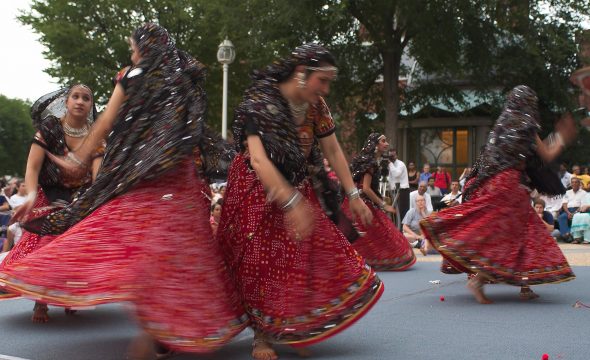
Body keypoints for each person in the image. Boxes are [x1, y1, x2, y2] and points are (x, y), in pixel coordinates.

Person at [0, 24, 247, 359]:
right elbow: (193, 130)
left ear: (144, 47)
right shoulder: (184, 77)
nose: (131, 54)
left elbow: (105, 123)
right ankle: (165, 327)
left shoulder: (132, 75)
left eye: (133, 47)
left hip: (143, 176)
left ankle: (158, 327)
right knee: (182, 248)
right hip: (180, 179)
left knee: (133, 239)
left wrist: (79, 158)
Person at [218, 43, 382, 360]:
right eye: (323, 80)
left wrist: (353, 195)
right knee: (260, 261)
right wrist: (291, 203)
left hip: (296, 184)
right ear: (301, 74)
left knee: (298, 257)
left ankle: (288, 326)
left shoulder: (316, 107)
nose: (326, 88)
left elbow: (333, 151)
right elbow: (258, 160)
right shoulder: (261, 102)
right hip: (254, 187)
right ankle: (262, 335)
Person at [420, 86, 576, 304]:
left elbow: (486, 160)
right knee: (511, 236)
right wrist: (562, 135)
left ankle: (525, 284)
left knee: (525, 231)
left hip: (492, 183)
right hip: (510, 185)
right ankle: (479, 280)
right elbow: (547, 154)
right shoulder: (527, 126)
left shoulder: (501, 125)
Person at [0, 85, 102, 322]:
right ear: (66, 102)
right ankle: (41, 302)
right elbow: (33, 167)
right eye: (75, 97)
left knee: (78, 249)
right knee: (46, 246)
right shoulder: (50, 128)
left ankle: (71, 296)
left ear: (90, 106)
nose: (80, 101)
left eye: (86, 98)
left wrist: (95, 200)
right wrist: (32, 196)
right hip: (49, 194)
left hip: (80, 197)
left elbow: (98, 175)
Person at [343, 133, 415, 271]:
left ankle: (359, 262)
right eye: (383, 141)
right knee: (382, 232)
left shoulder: (371, 161)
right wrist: (384, 205)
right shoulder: (370, 163)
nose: (387, 144)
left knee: (369, 234)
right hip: (361, 202)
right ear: (375, 145)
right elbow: (366, 188)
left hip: (357, 201)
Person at [557, 177, 586, 241]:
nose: (574, 184)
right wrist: (568, 212)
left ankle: (568, 236)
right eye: (572, 182)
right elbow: (564, 204)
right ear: (571, 184)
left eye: (576, 182)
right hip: (568, 210)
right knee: (561, 217)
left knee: (576, 217)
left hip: (578, 210)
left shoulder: (583, 193)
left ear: (579, 183)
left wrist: (574, 213)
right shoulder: (567, 192)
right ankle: (567, 233)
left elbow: (582, 205)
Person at [388, 148, 410, 220]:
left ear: (396, 155)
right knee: (393, 211)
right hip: (393, 190)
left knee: (401, 211)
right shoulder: (388, 165)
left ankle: (401, 229)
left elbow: (396, 174)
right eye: (390, 156)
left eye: (393, 155)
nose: (391, 157)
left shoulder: (401, 164)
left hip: (402, 190)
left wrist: (390, 164)